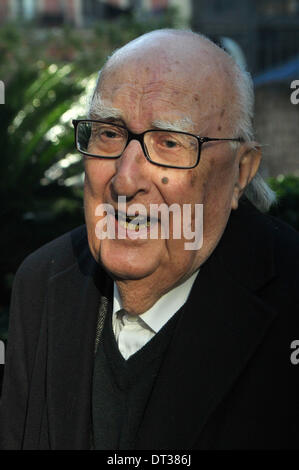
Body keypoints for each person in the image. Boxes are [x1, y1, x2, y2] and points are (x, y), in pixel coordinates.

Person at [0, 29, 298, 450]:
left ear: (241, 172)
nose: (126, 179)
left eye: (170, 142)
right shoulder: (42, 284)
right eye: (108, 133)